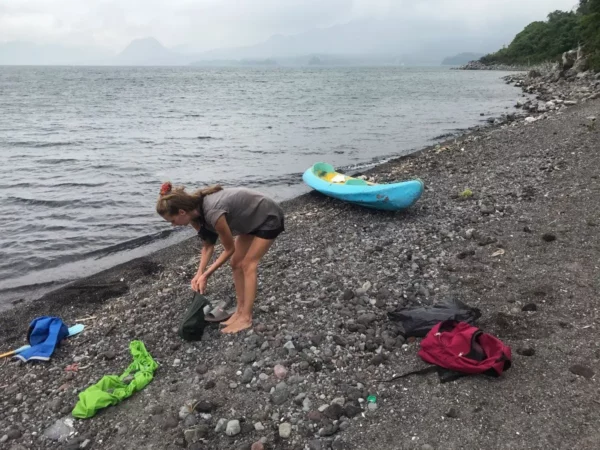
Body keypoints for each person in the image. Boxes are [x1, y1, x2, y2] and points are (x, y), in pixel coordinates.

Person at [156, 182, 284, 333]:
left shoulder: (212, 212)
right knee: (235, 263)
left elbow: (229, 249)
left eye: (172, 220)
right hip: (249, 221)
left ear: (182, 212)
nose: (173, 225)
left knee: (248, 264)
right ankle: (240, 310)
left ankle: (246, 318)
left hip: (268, 217)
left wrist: (206, 275)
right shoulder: (195, 217)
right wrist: (199, 273)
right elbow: (208, 246)